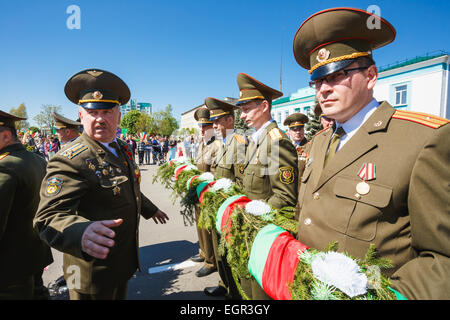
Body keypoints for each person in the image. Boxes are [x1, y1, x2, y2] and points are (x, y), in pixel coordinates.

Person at [293, 7, 450, 299]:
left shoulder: (423, 141)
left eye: (336, 75)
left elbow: (441, 259)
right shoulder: (320, 141)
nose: (323, 89)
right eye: (317, 81)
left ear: (371, 76)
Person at [34, 68, 169, 300]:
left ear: (118, 116)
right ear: (81, 115)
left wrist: (150, 209)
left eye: (107, 112)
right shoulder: (71, 158)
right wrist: (80, 232)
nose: (100, 119)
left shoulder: (121, 149)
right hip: (88, 271)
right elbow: (48, 217)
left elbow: (129, 189)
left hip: (121, 263)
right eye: (91, 112)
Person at [236, 73, 299, 300]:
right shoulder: (255, 140)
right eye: (241, 109)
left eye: (246, 109)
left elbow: (284, 196)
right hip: (249, 228)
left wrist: (252, 216)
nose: (242, 116)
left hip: (264, 233)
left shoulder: (275, 142)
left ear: (264, 106)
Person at [0, 110, 53, 300]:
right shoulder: (37, 160)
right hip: (36, 251)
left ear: (6, 136)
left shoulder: (5, 166)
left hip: (10, 265)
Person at [204, 97, 247, 299]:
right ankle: (225, 283)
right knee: (220, 251)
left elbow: (242, 183)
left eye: (217, 121)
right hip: (219, 208)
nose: (213, 126)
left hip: (230, 209)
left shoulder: (238, 144)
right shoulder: (222, 143)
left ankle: (234, 292)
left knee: (231, 253)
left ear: (230, 120)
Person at [190, 108, 221, 280]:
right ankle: (203, 252)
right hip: (199, 191)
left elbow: (216, 174)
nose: (202, 129)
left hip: (208, 194)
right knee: (200, 226)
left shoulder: (216, 145)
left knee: (208, 229)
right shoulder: (203, 143)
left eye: (205, 126)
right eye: (200, 126)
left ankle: (211, 261)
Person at [283, 113, 309, 183]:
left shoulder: (311, 147)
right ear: (290, 131)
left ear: (303, 130)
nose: (298, 132)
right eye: (294, 130)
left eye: (300, 129)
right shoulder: (285, 148)